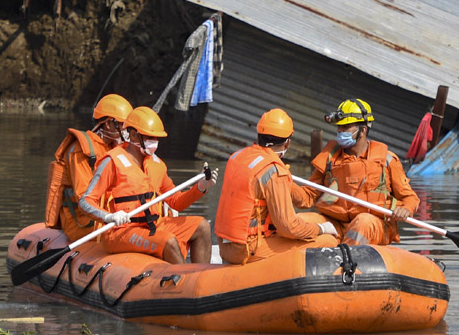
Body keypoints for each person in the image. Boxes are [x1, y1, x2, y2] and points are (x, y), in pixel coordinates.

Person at [79, 106, 216, 263]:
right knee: (168, 241)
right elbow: (85, 201)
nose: (155, 142)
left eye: (157, 138)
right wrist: (108, 216)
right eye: (150, 137)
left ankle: (200, 278)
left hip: (153, 225)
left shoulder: (157, 165)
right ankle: (186, 282)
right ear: (133, 136)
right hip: (121, 231)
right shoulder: (112, 161)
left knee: (203, 226)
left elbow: (176, 202)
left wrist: (200, 187)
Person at [215, 108, 339, 265]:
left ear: (259, 135)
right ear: (287, 142)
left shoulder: (239, 157)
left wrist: (321, 174)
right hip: (247, 249)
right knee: (328, 241)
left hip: (226, 245)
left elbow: (303, 199)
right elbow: (288, 227)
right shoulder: (274, 172)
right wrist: (322, 229)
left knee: (309, 221)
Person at [308, 98, 420, 246]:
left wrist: (406, 209)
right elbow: (308, 194)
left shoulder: (387, 160)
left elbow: (410, 197)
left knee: (364, 222)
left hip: (374, 225)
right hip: (336, 223)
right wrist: (285, 185)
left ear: (363, 130)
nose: (340, 131)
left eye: (346, 127)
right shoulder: (330, 159)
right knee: (304, 220)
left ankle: (347, 262)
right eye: (339, 127)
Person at [44, 93, 132, 242]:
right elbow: (84, 199)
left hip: (108, 217)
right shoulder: (81, 151)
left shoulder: (114, 148)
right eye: (124, 125)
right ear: (109, 124)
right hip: (82, 223)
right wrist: (108, 217)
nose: (127, 130)